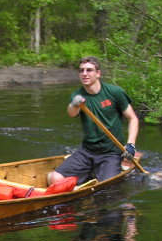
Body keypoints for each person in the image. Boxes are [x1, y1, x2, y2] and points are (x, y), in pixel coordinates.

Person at [47, 56, 139, 186]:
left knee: (107, 187)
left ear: (98, 73)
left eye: (89, 70)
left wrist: (130, 145)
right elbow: (71, 113)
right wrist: (75, 104)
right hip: (87, 151)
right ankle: (89, 172)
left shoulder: (114, 92)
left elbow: (132, 118)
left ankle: (95, 173)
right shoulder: (78, 95)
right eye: (81, 70)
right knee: (55, 178)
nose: (84, 74)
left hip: (111, 153)